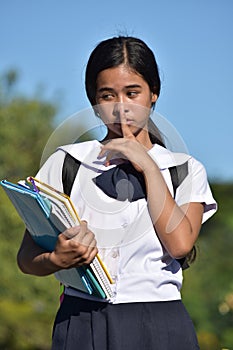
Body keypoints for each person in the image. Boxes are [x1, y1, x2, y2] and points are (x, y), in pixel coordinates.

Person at [17, 36, 217, 350]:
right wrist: (57, 257)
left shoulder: (184, 169)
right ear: (94, 103)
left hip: (159, 323)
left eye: (132, 92)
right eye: (107, 95)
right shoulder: (66, 163)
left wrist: (149, 167)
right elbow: (27, 258)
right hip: (81, 320)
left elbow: (179, 245)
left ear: (154, 94)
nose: (121, 107)